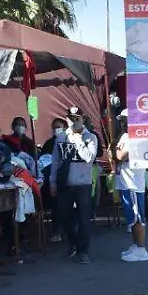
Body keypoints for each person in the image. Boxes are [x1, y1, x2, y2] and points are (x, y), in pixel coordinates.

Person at [50, 106, 98, 264]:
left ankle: (83, 251)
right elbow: (56, 160)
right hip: (65, 183)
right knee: (63, 215)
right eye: (71, 118)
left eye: (77, 118)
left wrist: (78, 140)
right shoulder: (61, 137)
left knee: (84, 218)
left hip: (83, 183)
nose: (73, 121)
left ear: (82, 120)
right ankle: (74, 242)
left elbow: (89, 158)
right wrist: (53, 181)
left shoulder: (90, 137)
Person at [112, 109, 148, 262]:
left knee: (137, 217)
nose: (123, 123)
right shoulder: (125, 136)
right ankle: (135, 245)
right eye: (122, 120)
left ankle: (141, 249)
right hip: (125, 181)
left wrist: (116, 151)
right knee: (131, 217)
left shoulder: (135, 136)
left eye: (126, 120)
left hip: (134, 182)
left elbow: (120, 155)